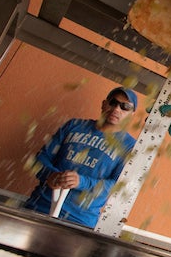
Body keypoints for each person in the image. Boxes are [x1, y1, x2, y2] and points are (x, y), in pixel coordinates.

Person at [24, 86, 138, 228]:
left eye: (125, 107)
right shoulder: (74, 125)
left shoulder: (130, 147)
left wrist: (81, 182)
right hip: (38, 207)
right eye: (113, 102)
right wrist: (50, 175)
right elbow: (40, 159)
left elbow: (117, 187)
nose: (116, 109)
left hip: (80, 222)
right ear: (104, 104)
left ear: (132, 114)